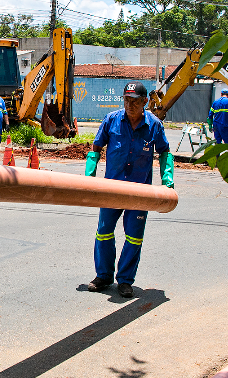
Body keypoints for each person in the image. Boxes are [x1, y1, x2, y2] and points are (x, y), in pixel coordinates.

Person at [84, 81, 174, 298]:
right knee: (104, 233)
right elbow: (96, 147)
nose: (129, 105)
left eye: (134, 101)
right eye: (126, 100)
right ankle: (103, 276)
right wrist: (89, 176)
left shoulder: (154, 125)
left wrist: (167, 179)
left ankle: (125, 280)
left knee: (134, 237)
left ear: (145, 102)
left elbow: (165, 152)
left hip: (139, 192)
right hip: (111, 189)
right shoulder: (112, 120)